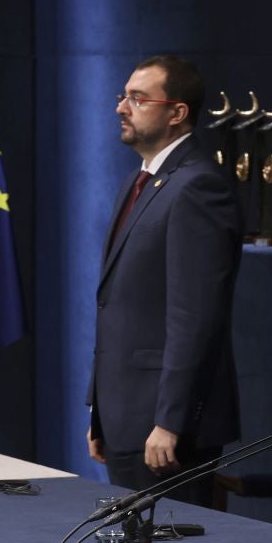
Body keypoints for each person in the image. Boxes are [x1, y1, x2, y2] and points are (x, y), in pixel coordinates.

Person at [87, 55, 242, 509]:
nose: (121, 107)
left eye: (138, 98)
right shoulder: (140, 182)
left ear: (177, 113)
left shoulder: (198, 187)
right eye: (123, 96)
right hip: (125, 418)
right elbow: (117, 308)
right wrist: (101, 411)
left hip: (165, 428)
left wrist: (171, 422)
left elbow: (194, 317)